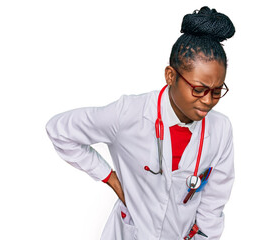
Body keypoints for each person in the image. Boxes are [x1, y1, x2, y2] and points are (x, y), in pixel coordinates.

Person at [46, 6, 235, 240]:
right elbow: (60, 130)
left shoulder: (220, 130)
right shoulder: (129, 114)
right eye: (198, 90)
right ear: (170, 76)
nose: (208, 101)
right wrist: (110, 178)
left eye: (217, 92)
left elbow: (213, 205)